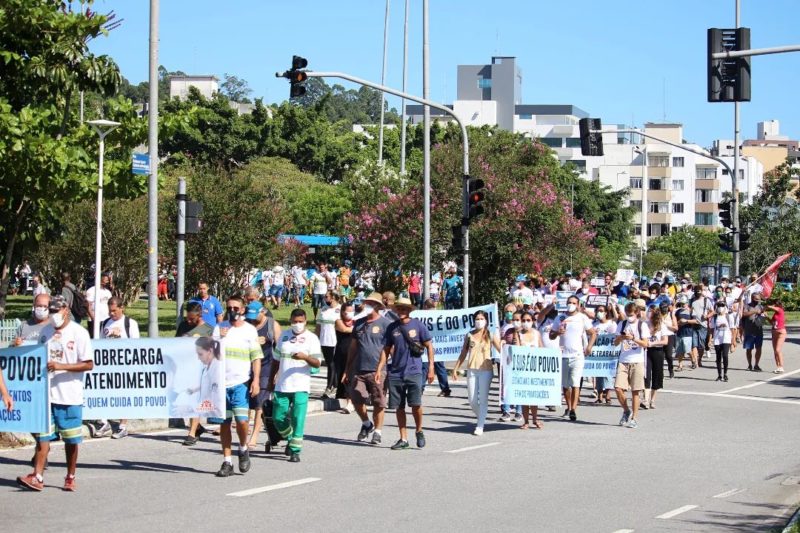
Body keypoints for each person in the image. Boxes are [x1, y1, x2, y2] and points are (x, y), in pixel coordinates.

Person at [18, 295, 93, 492]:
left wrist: (61, 366)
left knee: (71, 440)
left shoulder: (79, 333)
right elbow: (34, 354)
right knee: (43, 438)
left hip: (69, 395)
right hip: (46, 394)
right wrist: (18, 347)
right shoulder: (45, 331)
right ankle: (37, 476)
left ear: (66, 310)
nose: (52, 315)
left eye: (56, 311)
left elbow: (88, 364)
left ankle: (70, 475)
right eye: (50, 311)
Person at [211, 296, 261, 477]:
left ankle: (242, 447)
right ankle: (227, 461)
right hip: (221, 383)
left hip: (240, 382)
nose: (233, 311)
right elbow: (210, 354)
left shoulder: (250, 330)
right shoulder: (219, 328)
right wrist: (218, 339)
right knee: (224, 424)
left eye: (236, 308)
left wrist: (255, 380)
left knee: (241, 421)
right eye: (229, 307)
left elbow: (256, 357)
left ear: (242, 310)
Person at [375, 297, 435, 450]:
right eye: (399, 309)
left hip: (414, 371)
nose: (401, 311)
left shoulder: (418, 326)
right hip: (395, 372)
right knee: (399, 407)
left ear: (409, 310)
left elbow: (429, 346)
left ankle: (419, 430)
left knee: (415, 405)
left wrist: (431, 368)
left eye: (404, 309)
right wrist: (379, 368)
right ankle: (403, 438)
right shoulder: (392, 328)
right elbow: (386, 349)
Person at [271, 308, 322, 463]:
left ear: (305, 321)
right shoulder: (284, 336)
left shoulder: (311, 338)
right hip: (283, 384)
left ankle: (295, 450)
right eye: (294, 321)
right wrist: (271, 377)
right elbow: (276, 358)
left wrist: (305, 357)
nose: (297, 324)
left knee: (297, 418)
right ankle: (290, 437)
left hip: (301, 385)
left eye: (300, 322)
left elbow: (317, 362)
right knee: (278, 417)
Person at [344, 292, 391, 444]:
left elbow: (390, 348)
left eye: (371, 303)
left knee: (379, 401)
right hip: (359, 369)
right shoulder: (358, 323)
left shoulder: (386, 324)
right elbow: (353, 348)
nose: (368, 305)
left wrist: (383, 368)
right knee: (356, 399)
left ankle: (377, 431)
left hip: (379, 370)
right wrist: (347, 369)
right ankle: (366, 423)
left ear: (378, 306)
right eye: (367, 302)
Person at [95, 297, 141, 439]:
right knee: (104, 393)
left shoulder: (130, 323)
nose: (112, 313)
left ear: (122, 308)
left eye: (114, 311)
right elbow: (100, 344)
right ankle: (104, 422)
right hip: (108, 365)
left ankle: (122, 425)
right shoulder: (105, 324)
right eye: (110, 311)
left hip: (124, 366)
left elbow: (136, 345)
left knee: (123, 395)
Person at [452, 310, 501, 435]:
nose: (479, 321)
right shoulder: (469, 335)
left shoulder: (490, 334)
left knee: (483, 399)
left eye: (481, 319)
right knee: (473, 400)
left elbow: (501, 349)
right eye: (477, 319)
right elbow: (463, 352)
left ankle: (480, 426)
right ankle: (482, 417)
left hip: (486, 370)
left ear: (486, 320)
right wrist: (456, 368)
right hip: (472, 370)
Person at [550, 295, 597, 422]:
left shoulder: (582, 317)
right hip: (563, 354)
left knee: (575, 382)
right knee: (565, 385)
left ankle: (573, 409)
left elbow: (593, 333)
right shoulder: (560, 317)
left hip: (577, 355)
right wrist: (557, 333)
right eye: (569, 302)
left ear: (578, 305)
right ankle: (569, 406)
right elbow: (551, 335)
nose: (571, 304)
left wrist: (589, 347)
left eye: (574, 303)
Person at [244, 300, 281, 449]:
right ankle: (244, 432)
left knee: (260, 403)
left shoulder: (272, 325)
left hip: (266, 366)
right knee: (246, 403)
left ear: (263, 311)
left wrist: (277, 372)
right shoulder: (246, 324)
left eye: (255, 315)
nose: (252, 319)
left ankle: (255, 436)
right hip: (247, 367)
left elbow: (280, 349)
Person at [613, 302, 649, 429]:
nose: (629, 317)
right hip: (623, 360)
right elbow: (615, 342)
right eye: (627, 315)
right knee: (618, 388)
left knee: (635, 391)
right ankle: (626, 410)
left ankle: (634, 417)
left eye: (631, 315)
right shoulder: (622, 324)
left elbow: (645, 344)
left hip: (637, 360)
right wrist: (622, 337)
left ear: (637, 313)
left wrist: (633, 338)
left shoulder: (642, 325)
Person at [513, 311, 545, 429]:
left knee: (534, 396)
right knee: (525, 397)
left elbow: (542, 348)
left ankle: (535, 419)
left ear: (532, 321)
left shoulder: (537, 333)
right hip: (523, 369)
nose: (526, 323)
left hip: (535, 368)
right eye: (524, 320)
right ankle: (526, 421)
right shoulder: (518, 334)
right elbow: (517, 349)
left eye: (528, 320)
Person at [420, 298, 453, 396]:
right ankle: (445, 389)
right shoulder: (441, 315)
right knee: (440, 368)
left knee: (425, 367)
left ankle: (420, 388)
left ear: (425, 306)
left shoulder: (422, 316)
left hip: (427, 344)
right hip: (439, 346)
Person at [316, 291, 341, 398]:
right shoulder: (323, 309)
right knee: (329, 362)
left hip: (334, 340)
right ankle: (335, 385)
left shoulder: (340, 309)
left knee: (332, 364)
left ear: (334, 298)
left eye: (327, 296)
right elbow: (318, 325)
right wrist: (316, 339)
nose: (325, 298)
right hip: (324, 340)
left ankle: (329, 387)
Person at [592, 304, 618, 404]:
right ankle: (599, 395)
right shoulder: (594, 325)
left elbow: (614, 337)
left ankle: (608, 394)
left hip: (608, 351)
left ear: (606, 313)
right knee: (598, 373)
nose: (599, 312)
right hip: (597, 352)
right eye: (598, 310)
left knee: (608, 374)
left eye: (601, 310)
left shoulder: (611, 324)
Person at [642, 306, 668, 409]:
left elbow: (665, 341)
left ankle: (652, 399)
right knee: (646, 374)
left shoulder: (662, 326)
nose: (648, 313)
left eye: (650, 312)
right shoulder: (645, 324)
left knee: (657, 375)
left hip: (658, 351)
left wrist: (653, 343)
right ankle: (646, 400)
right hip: (647, 351)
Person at [334, 303, 355, 413]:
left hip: (353, 353)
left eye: (352, 311)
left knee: (349, 377)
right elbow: (345, 330)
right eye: (348, 311)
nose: (350, 313)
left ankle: (350, 401)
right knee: (341, 375)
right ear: (342, 312)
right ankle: (340, 396)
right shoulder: (339, 321)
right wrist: (357, 328)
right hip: (341, 352)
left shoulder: (355, 322)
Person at [690, 283, 714, 368]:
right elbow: (689, 310)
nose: (697, 292)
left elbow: (712, 311)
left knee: (701, 345)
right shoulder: (692, 301)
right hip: (693, 324)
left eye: (699, 291)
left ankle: (699, 359)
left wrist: (707, 316)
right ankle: (695, 361)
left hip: (703, 325)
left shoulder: (706, 300)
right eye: (696, 291)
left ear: (702, 291)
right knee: (694, 344)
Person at [741, 292, 766, 372]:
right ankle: (749, 365)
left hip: (758, 330)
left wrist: (764, 314)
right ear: (752, 298)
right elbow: (744, 314)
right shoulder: (747, 306)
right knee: (749, 349)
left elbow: (763, 315)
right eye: (756, 299)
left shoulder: (761, 306)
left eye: (759, 299)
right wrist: (755, 311)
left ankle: (756, 364)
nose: (758, 301)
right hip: (749, 331)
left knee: (759, 348)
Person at [85, 273, 112, 338]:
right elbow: (88, 305)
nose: (107, 282)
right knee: (94, 338)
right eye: (106, 280)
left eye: (108, 280)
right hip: (95, 320)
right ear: (100, 280)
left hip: (106, 320)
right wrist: (93, 318)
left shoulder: (107, 292)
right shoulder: (92, 290)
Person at [711, 300, 733, 382]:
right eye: (719, 306)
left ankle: (725, 373)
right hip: (717, 339)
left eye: (722, 306)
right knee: (718, 357)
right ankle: (719, 375)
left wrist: (733, 341)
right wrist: (709, 340)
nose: (720, 308)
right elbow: (711, 329)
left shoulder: (728, 316)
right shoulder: (715, 317)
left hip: (726, 339)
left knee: (725, 355)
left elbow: (733, 329)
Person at [767, 300, 786, 373]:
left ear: (776, 304)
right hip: (774, 332)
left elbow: (773, 308)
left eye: (774, 304)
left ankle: (781, 366)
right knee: (775, 351)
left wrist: (767, 306)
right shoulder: (775, 314)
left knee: (778, 350)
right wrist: (767, 317)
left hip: (781, 332)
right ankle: (778, 367)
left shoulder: (780, 310)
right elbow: (772, 323)